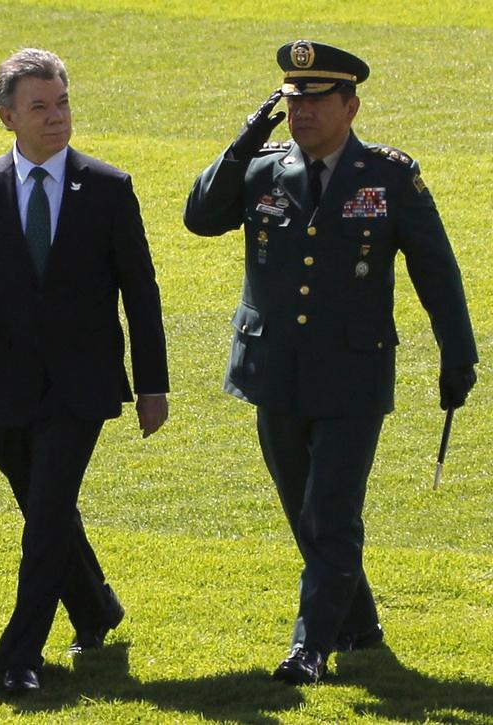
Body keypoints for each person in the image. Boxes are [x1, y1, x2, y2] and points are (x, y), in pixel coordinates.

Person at [184, 40, 477, 685]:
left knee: (331, 512)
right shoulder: (261, 171)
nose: (302, 113)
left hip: (351, 376)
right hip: (274, 372)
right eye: (291, 101)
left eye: (316, 101)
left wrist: (459, 356)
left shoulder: (389, 176)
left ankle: (309, 647)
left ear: (351, 105)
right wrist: (246, 136)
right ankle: (360, 625)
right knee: (305, 510)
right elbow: (200, 217)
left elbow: (437, 270)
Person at [0, 48, 170, 693]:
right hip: (6, 385)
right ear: (7, 117)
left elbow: (141, 290)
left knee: (48, 510)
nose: (56, 119)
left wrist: (153, 383)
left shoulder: (108, 188)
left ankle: (20, 653)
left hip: (83, 385)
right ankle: (95, 606)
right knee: (44, 508)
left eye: (62, 103)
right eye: (39, 107)